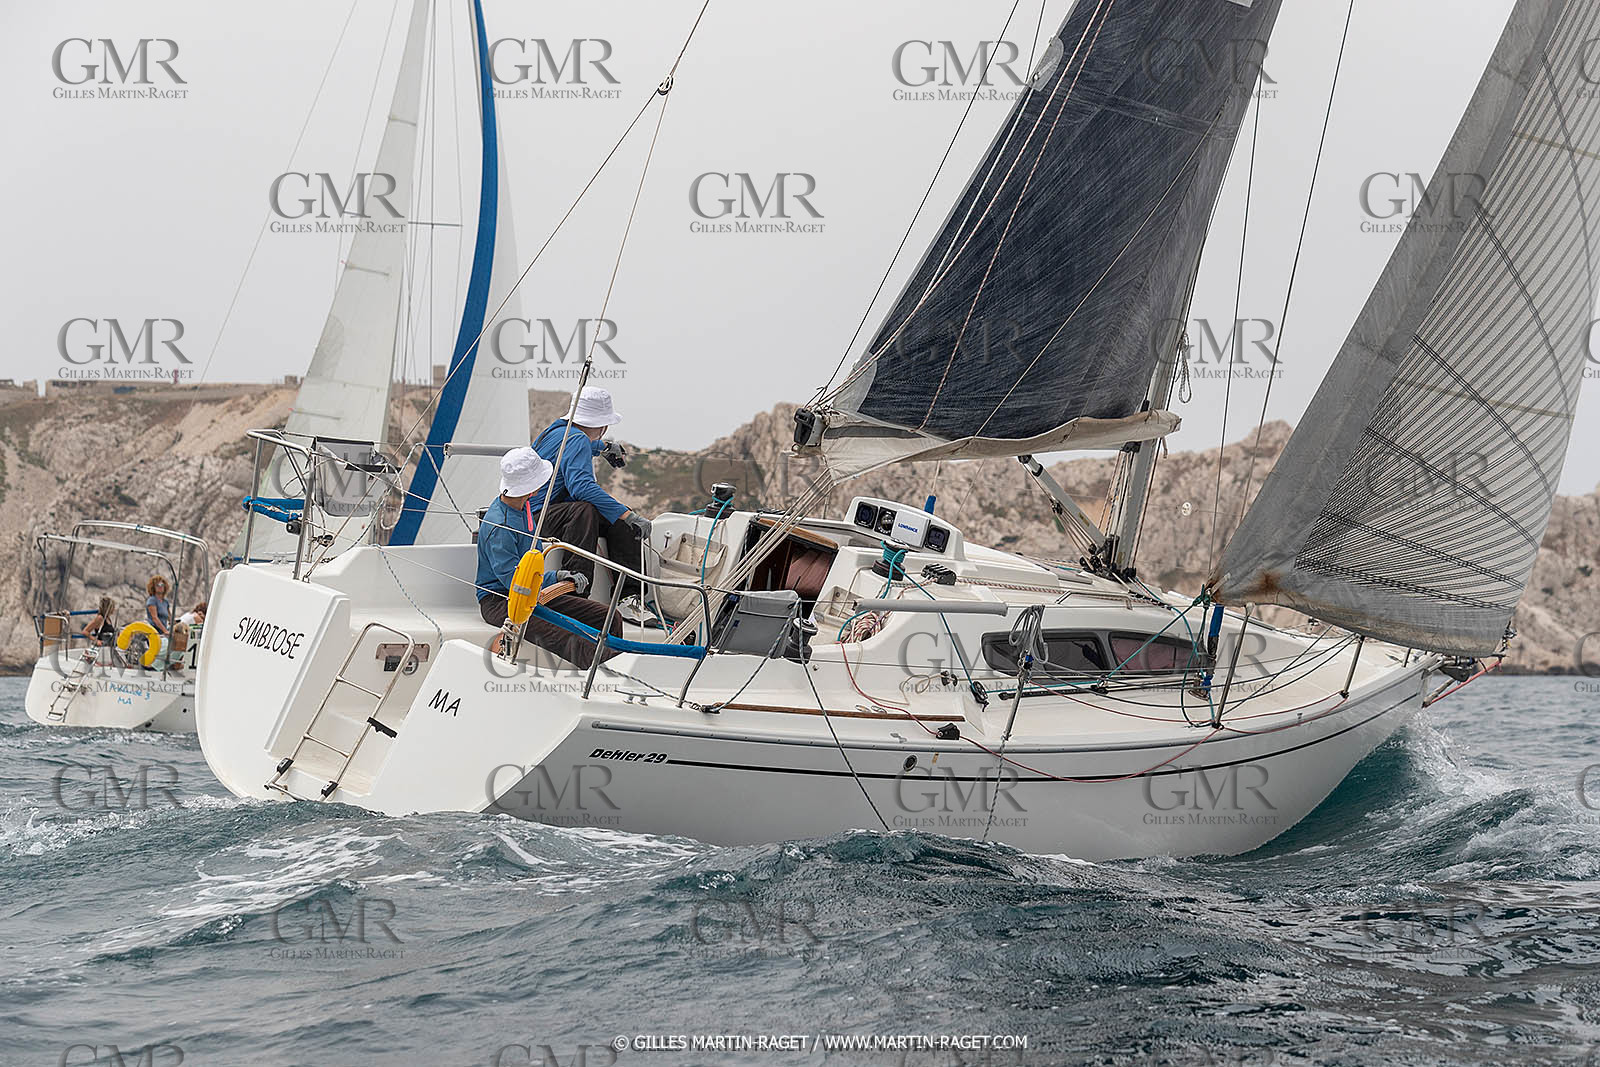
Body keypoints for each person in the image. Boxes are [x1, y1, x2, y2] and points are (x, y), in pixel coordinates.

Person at [477, 447, 623, 670]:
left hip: (533, 594)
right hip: (503, 601)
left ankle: (618, 668)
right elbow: (514, 581)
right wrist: (557, 577)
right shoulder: (500, 525)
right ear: (532, 488)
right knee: (573, 640)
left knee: (610, 618)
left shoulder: (523, 505)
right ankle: (599, 682)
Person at [528, 386, 650, 597]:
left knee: (618, 521)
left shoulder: (554, 432)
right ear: (601, 425)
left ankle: (629, 595)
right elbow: (581, 487)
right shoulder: (577, 439)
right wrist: (628, 515)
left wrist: (602, 447)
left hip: (531, 515)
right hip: (540, 518)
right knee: (586, 511)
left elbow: (574, 443)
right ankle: (576, 590)